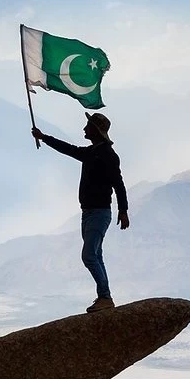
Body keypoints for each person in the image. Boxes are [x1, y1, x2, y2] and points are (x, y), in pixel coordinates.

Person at [31, 112, 130, 313]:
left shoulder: (108, 155)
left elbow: (118, 183)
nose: (84, 129)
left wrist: (123, 209)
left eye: (88, 126)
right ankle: (104, 297)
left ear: (96, 130)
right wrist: (44, 137)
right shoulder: (93, 152)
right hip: (89, 213)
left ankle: (105, 297)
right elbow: (69, 149)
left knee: (89, 256)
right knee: (96, 256)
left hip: (99, 213)